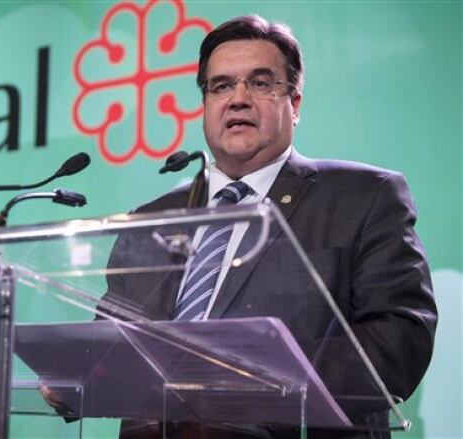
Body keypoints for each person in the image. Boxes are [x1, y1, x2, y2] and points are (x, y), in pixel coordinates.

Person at [98, 14, 437, 439]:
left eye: (260, 83)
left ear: (294, 104)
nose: (237, 99)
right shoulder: (151, 220)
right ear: (205, 105)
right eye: (221, 86)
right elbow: (106, 344)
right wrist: (72, 376)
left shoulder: (363, 197)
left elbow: (400, 340)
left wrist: (255, 381)